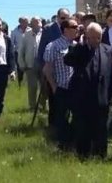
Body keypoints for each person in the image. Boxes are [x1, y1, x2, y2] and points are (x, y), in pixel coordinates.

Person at [64, 23, 112, 159]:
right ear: (86, 36)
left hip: (102, 97)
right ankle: (83, 155)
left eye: (98, 38)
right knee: (82, 127)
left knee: (101, 128)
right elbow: (67, 60)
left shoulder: (108, 50)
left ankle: (100, 155)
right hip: (82, 97)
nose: (95, 41)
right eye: (91, 38)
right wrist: (80, 45)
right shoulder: (79, 49)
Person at [42, 19, 77, 149]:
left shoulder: (76, 45)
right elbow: (47, 69)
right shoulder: (53, 46)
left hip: (76, 89)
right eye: (74, 27)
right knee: (61, 118)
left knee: (77, 117)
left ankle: (74, 142)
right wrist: (54, 87)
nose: (77, 28)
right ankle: (63, 145)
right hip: (61, 88)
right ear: (65, 30)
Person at [19, 17, 43, 112]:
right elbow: (21, 50)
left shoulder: (45, 33)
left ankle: (42, 105)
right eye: (34, 23)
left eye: (38, 22)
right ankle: (32, 106)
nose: (36, 24)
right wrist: (22, 63)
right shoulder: (27, 35)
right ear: (31, 24)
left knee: (44, 87)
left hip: (43, 63)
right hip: (30, 64)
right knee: (32, 86)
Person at [11, 16, 31, 86]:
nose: (27, 23)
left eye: (27, 22)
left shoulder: (30, 30)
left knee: (29, 69)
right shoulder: (14, 32)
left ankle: (28, 84)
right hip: (18, 53)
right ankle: (20, 83)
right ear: (20, 22)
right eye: (25, 22)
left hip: (29, 53)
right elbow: (12, 43)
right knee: (20, 69)